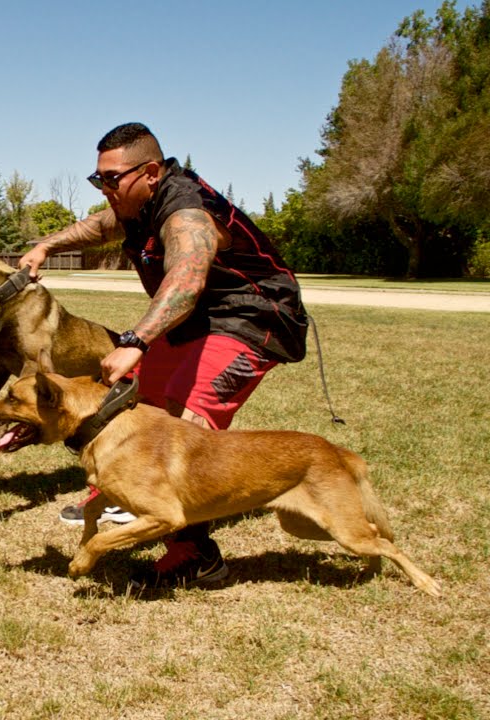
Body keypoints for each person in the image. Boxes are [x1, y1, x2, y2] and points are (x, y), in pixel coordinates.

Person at [19, 122, 307, 589]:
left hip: (252, 319)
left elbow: (187, 281)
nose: (104, 188)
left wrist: (135, 341)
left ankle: (197, 557)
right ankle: (125, 493)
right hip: (194, 322)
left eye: (112, 179)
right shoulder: (136, 205)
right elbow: (100, 226)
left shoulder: (186, 213)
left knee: (189, 424)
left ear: (150, 172)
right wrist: (46, 245)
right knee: (136, 404)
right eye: (98, 179)